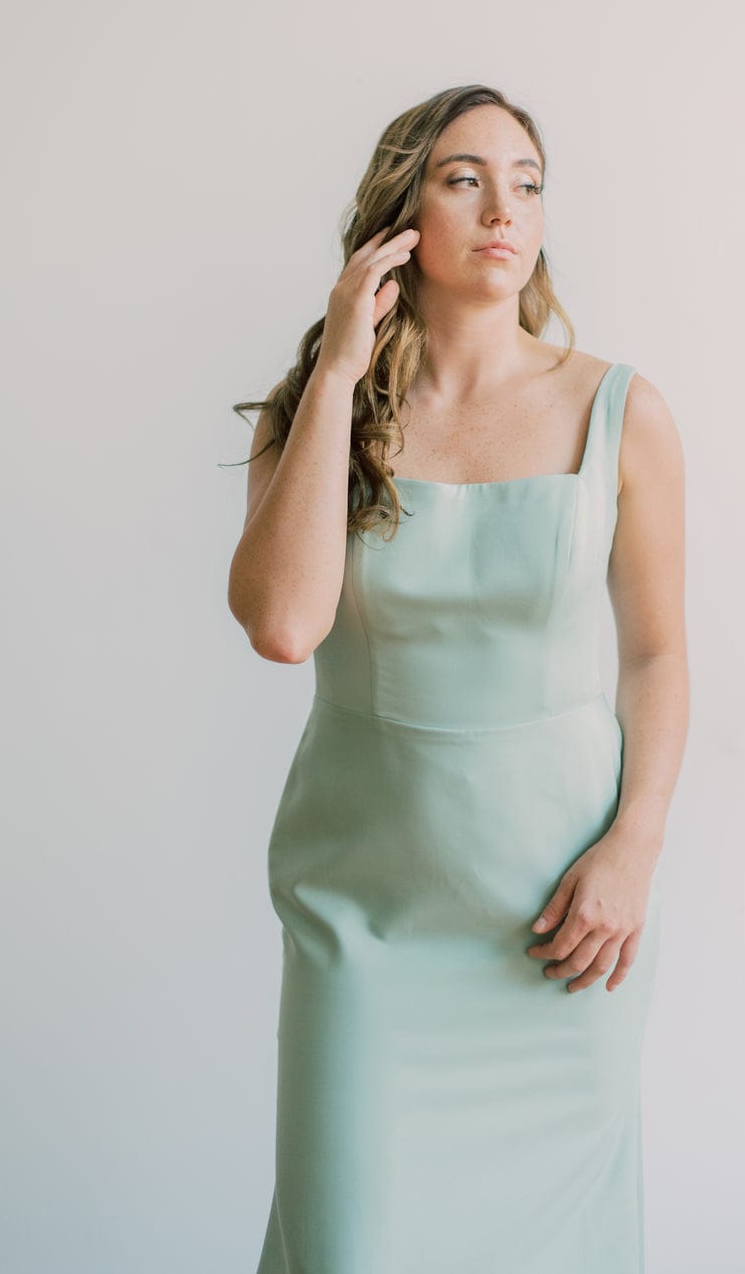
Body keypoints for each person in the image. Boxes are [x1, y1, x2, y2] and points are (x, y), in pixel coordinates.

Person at [227, 83, 689, 1274]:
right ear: (400, 216)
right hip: (365, 916)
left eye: (526, 183)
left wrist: (634, 848)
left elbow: (655, 652)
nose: (503, 210)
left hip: (559, 918)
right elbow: (282, 626)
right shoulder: (316, 411)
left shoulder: (619, 410)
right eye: (463, 179)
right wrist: (339, 371)